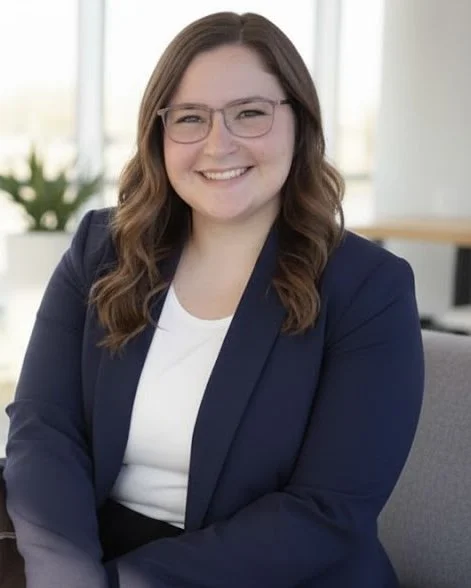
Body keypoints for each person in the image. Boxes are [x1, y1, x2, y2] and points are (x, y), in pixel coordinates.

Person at [2, 11, 424, 588]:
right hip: (87, 558)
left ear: (299, 122)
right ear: (160, 133)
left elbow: (327, 510)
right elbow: (43, 428)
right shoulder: (102, 249)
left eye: (249, 113)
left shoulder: (368, 287)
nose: (217, 144)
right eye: (190, 118)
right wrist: (65, 572)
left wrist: (128, 582)